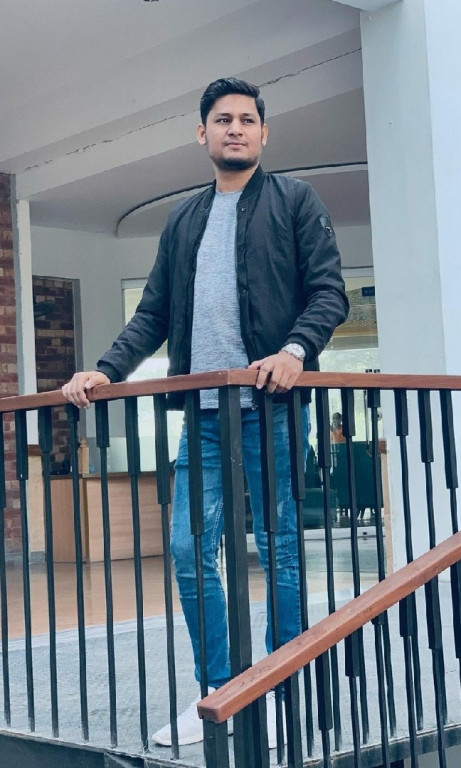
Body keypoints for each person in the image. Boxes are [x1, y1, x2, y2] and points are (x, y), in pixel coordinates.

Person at [62, 77, 349, 747]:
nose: (235, 128)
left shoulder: (294, 201)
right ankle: (220, 692)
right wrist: (105, 369)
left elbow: (329, 292)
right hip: (204, 414)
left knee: (280, 552)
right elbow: (154, 313)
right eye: (222, 120)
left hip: (273, 410)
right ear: (202, 134)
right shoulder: (184, 220)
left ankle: (279, 693)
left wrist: (296, 350)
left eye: (247, 119)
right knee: (190, 552)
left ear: (263, 133)